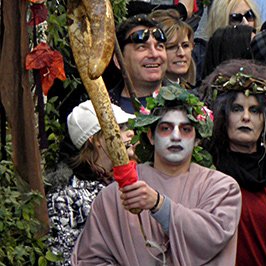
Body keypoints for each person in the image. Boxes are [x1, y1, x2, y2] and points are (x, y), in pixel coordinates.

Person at [72, 85, 241, 265]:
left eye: (185, 129)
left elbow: (211, 236)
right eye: (166, 128)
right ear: (151, 136)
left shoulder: (222, 188)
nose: (176, 136)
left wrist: (159, 205)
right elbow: (89, 259)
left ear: (197, 139)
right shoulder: (115, 195)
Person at [203, 61, 266, 266]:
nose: (246, 117)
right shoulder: (206, 170)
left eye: (255, 110)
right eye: (237, 108)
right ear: (223, 116)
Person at [47, 101, 134, 262]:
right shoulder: (65, 196)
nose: (131, 133)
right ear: (96, 140)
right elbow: (63, 258)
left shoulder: (133, 184)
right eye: (121, 128)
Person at [106, 15, 167, 112]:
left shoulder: (189, 106)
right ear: (119, 60)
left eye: (159, 46)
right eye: (142, 47)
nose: (154, 54)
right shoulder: (100, 111)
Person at [153, 7, 197, 87]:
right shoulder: (150, 95)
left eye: (185, 46)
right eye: (171, 47)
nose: (181, 53)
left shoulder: (192, 91)